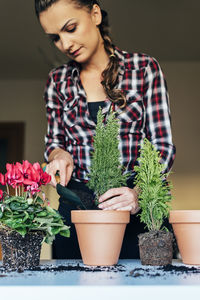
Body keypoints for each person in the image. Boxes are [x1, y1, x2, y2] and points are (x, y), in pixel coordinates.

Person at [35, 0, 176, 259]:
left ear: (95, 14)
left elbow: (163, 147)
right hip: (75, 211)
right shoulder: (57, 81)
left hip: (134, 209)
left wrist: (139, 194)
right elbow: (54, 143)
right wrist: (59, 156)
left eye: (71, 28)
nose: (65, 44)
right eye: (55, 37)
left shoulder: (144, 69)